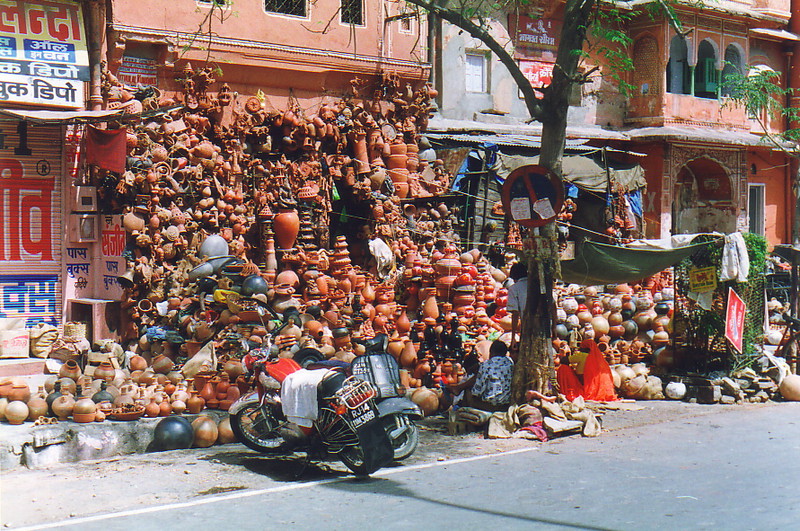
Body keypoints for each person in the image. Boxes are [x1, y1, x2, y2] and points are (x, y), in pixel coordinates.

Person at [448, 340, 514, 411]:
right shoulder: (510, 363)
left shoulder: (487, 365)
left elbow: (477, 392)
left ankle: (461, 409)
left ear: (491, 352)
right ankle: (458, 389)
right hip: (505, 405)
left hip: (489, 406)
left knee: (468, 390)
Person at [506, 262, 528, 352]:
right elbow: (553, 306)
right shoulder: (538, 285)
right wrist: (553, 327)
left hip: (527, 328)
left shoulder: (514, 288)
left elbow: (515, 314)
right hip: (544, 328)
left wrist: (513, 337)